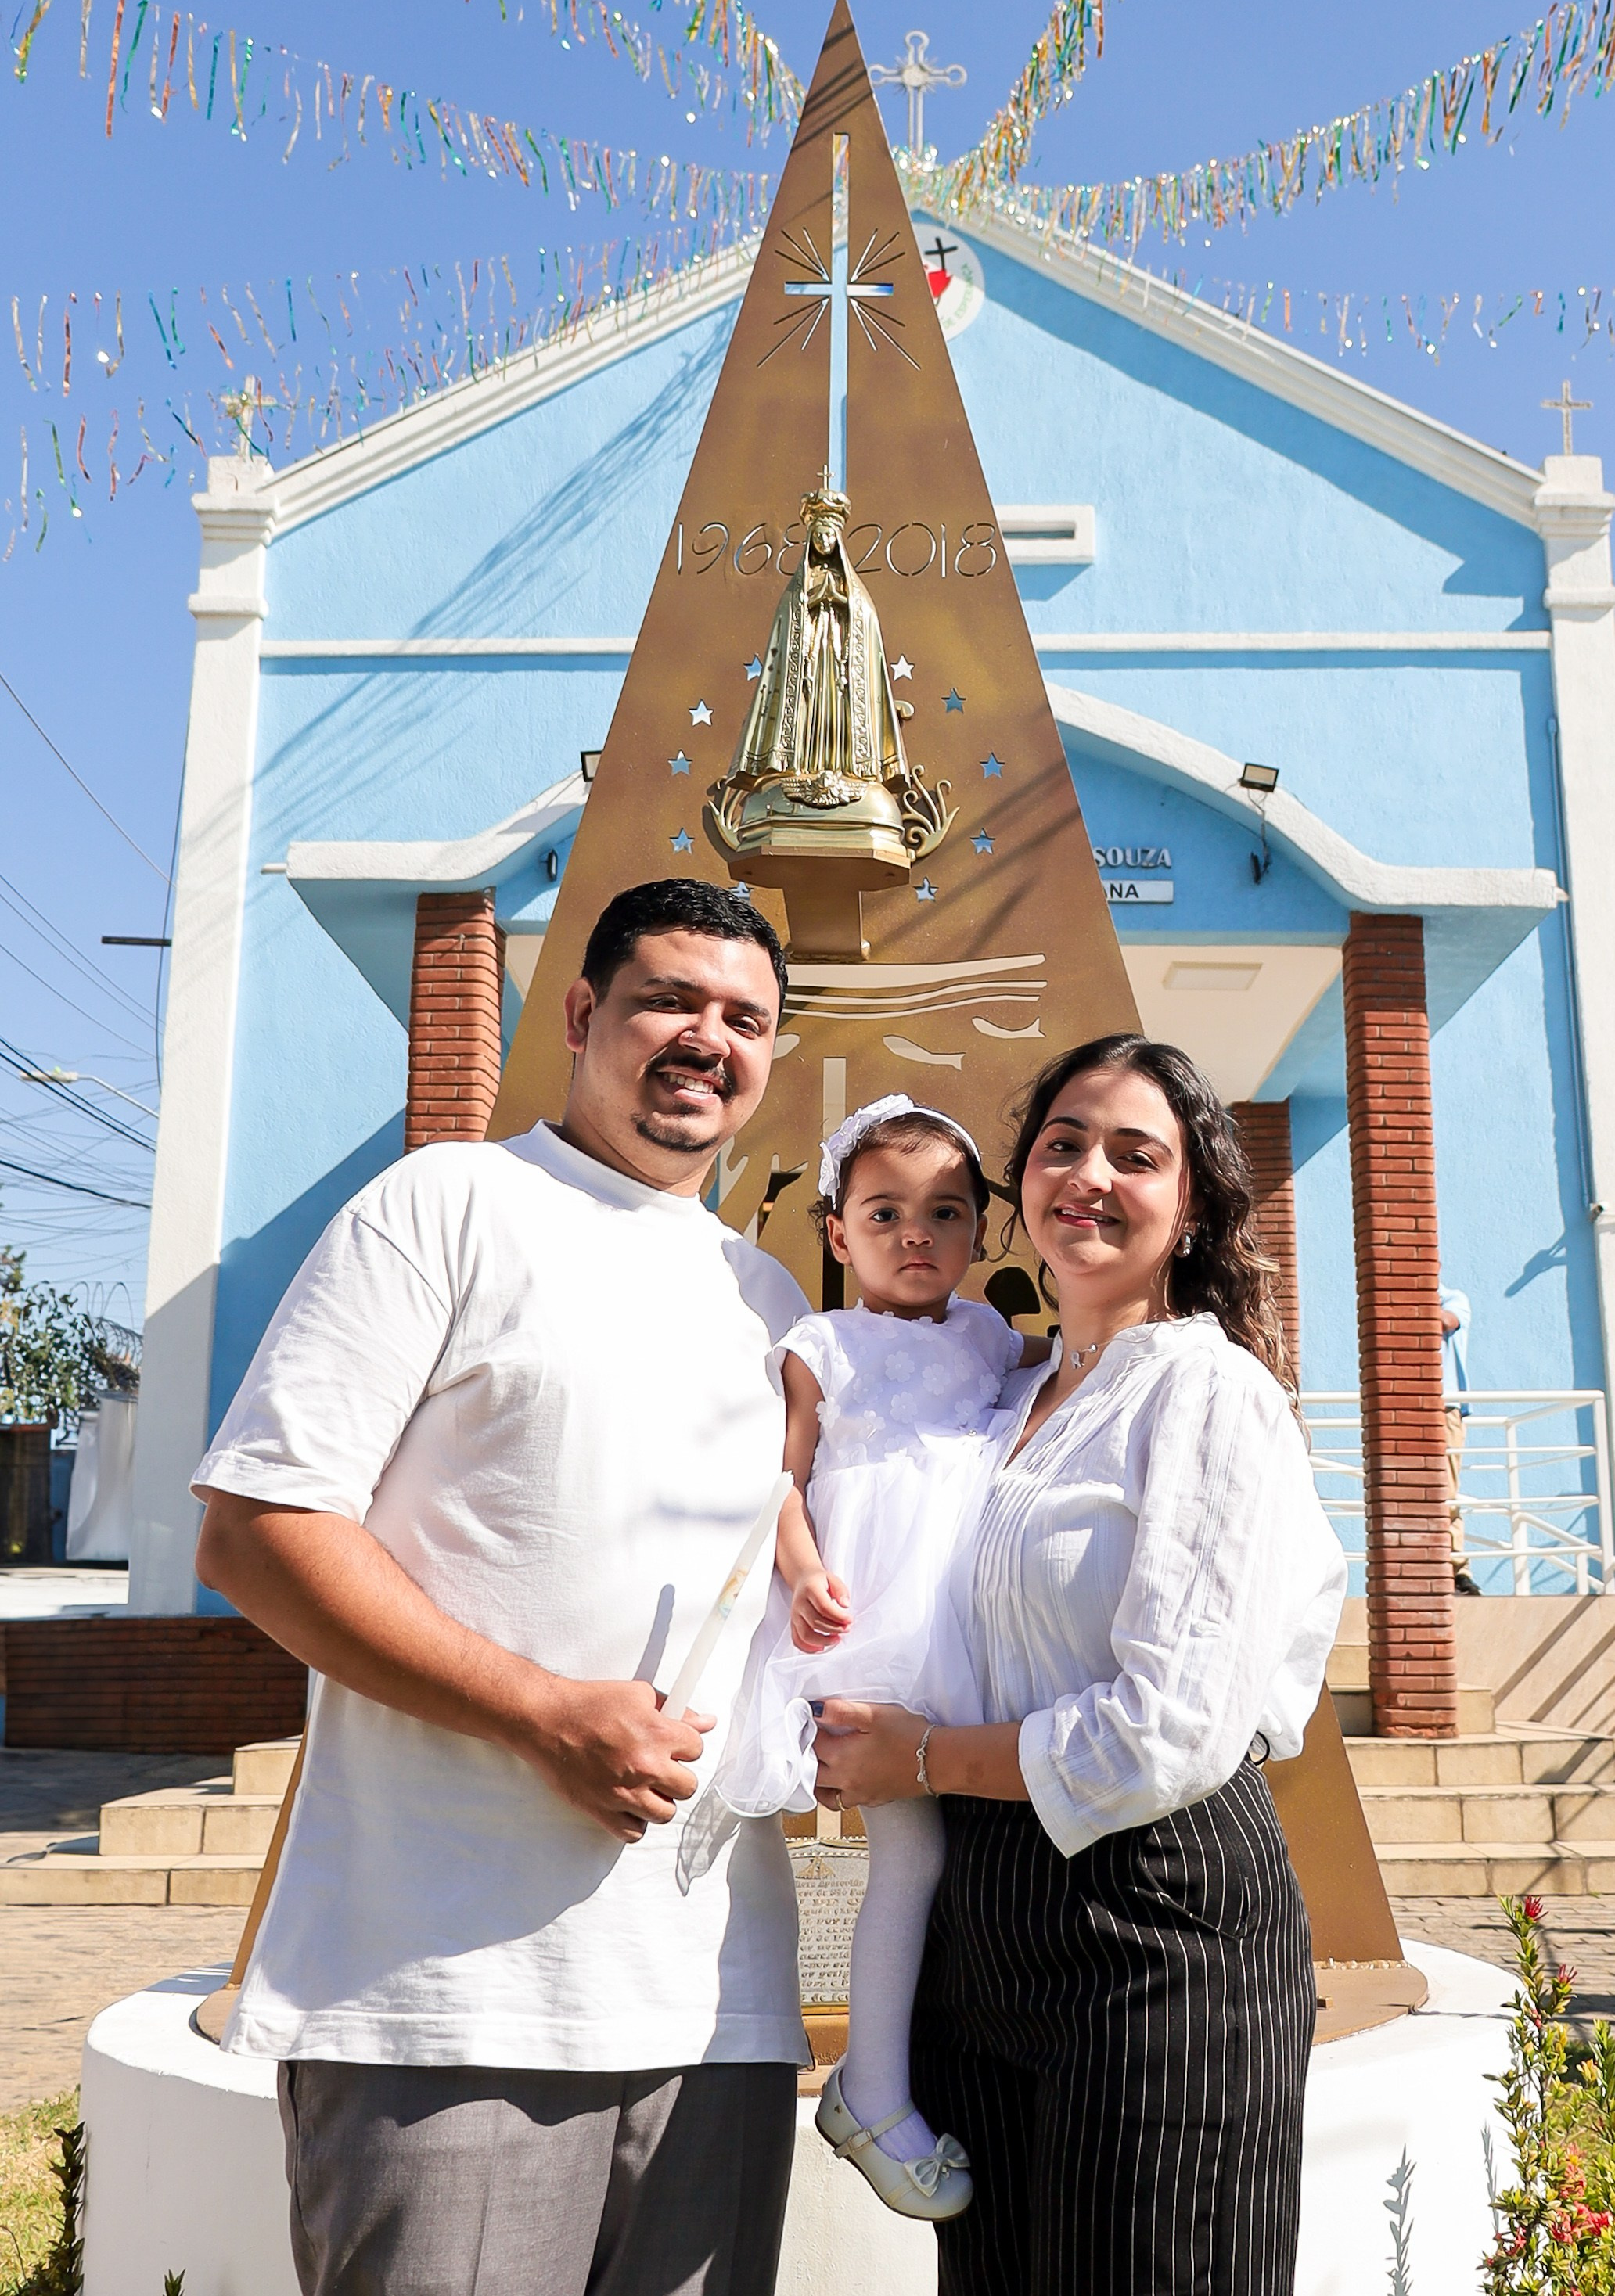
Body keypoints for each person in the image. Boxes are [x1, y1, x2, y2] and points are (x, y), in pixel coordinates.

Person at [191, 879, 812, 2296]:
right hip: (445, 1996)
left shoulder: (768, 1300)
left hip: (714, 1998)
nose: (704, 1037)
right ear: (581, 1013)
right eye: (668, 997)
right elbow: (257, 1530)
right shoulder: (447, 1202)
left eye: (743, 1017)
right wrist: (540, 1710)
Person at [814, 1034, 1347, 2296]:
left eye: (1135, 1151)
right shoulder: (999, 1397)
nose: (1089, 1173)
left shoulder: (1207, 1393)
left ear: (1195, 1200)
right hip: (981, 1922)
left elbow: (1163, 1725)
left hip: (1152, 1921)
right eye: (1061, 1142)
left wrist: (924, 1754)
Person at [685, 1094, 1045, 2225]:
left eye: (945, 1212)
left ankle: (886, 2080)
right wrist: (800, 1577)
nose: (915, 1235)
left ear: (980, 1231)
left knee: (944, 1853)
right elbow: (778, 1479)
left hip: (962, 1632)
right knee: (910, 1851)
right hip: (866, 1625)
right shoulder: (819, 1345)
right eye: (885, 1212)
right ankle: (871, 2090)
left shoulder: (991, 1336)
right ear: (837, 1232)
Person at [1441, 1286, 1479, 1594]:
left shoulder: (1453, 1298)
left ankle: (1457, 1570)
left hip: (1446, 1408)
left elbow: (1446, 1321)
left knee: (1447, 1489)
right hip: (1406, 1406)